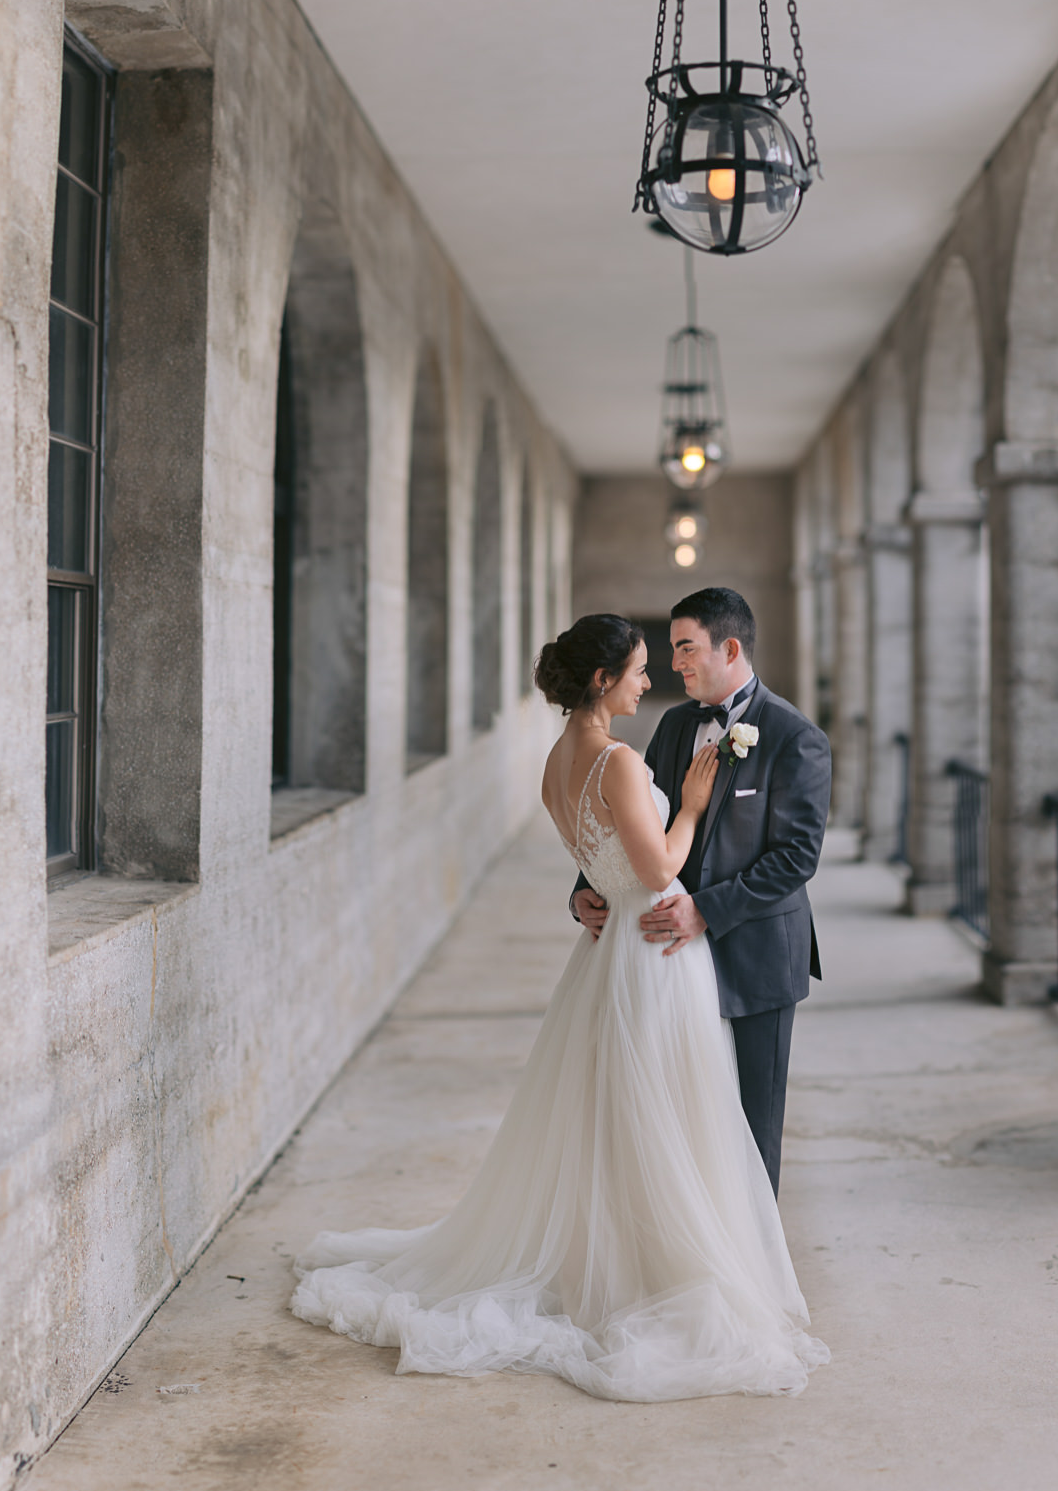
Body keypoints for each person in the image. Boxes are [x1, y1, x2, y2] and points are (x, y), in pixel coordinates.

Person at [290, 612, 827, 1402]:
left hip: (649, 952)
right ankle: (657, 1271)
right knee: (665, 1114)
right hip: (651, 953)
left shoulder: (560, 759)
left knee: (647, 1116)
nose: (654, 678)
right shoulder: (623, 753)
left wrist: (600, 888)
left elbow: (753, 851)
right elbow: (655, 860)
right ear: (604, 681)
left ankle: (677, 1255)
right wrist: (690, 804)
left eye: (672, 655)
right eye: (643, 666)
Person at [571, 587, 831, 1197]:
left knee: (752, 1120)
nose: (675, 664)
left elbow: (797, 857)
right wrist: (588, 885)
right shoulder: (672, 725)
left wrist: (705, 912)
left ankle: (756, 1273)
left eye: (686, 649)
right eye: (672, 650)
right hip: (664, 955)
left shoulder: (796, 737)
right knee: (680, 1115)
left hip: (758, 951)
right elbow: (635, 822)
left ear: (730, 647)